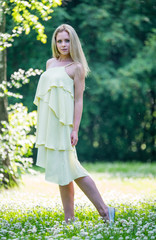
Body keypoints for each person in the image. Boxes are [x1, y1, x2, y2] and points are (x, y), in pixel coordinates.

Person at [33, 24, 115, 225]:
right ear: (55, 42)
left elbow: (78, 100)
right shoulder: (50, 63)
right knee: (63, 172)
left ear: (73, 42)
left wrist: (75, 128)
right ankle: (69, 218)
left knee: (72, 168)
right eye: (59, 40)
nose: (63, 44)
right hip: (50, 124)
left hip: (65, 125)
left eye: (67, 40)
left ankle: (105, 211)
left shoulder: (77, 68)